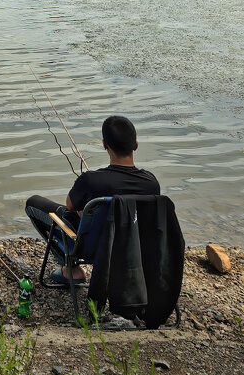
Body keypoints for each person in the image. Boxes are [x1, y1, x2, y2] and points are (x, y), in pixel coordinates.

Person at [25, 115, 160, 284]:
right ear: (136, 145)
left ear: (105, 145)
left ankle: (71, 269)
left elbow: (70, 205)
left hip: (93, 249)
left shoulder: (90, 180)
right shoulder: (152, 183)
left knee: (34, 204)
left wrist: (87, 213)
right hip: (134, 249)